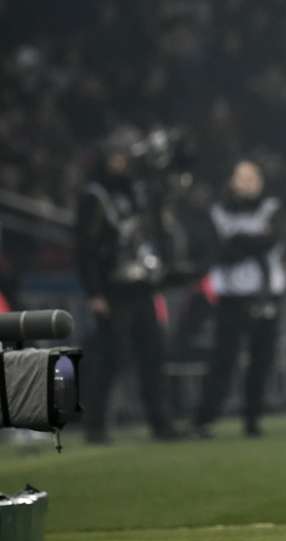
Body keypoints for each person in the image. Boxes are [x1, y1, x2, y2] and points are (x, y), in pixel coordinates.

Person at [76, 126, 178, 443]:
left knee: (152, 353)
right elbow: (86, 248)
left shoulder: (138, 190)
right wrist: (94, 291)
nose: (121, 161)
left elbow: (154, 227)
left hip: (141, 284)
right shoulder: (95, 195)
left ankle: (160, 422)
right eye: (116, 155)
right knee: (110, 357)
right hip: (113, 287)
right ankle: (95, 424)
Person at [191, 160, 285, 438]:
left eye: (252, 177)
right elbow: (218, 251)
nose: (247, 183)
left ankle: (252, 419)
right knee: (223, 360)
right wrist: (251, 242)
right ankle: (204, 419)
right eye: (241, 177)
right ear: (231, 181)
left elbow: (274, 240)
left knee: (261, 360)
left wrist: (239, 243)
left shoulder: (272, 209)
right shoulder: (218, 212)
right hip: (231, 296)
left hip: (267, 292)